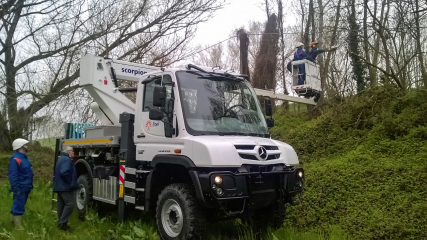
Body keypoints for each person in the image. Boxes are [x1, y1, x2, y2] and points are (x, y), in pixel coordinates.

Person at [8, 138, 33, 230]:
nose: (27, 146)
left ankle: (12, 220)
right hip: (20, 186)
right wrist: (15, 188)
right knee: (19, 204)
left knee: (19, 203)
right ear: (21, 146)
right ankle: (18, 226)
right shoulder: (15, 158)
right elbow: (12, 175)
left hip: (26, 186)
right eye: (25, 145)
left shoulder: (25, 157)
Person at [53, 146, 79, 230]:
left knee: (61, 205)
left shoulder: (61, 159)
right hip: (65, 187)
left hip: (59, 186)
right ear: (68, 152)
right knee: (70, 204)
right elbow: (64, 172)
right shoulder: (67, 160)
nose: (73, 153)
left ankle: (61, 223)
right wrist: (70, 182)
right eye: (72, 151)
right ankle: (62, 223)